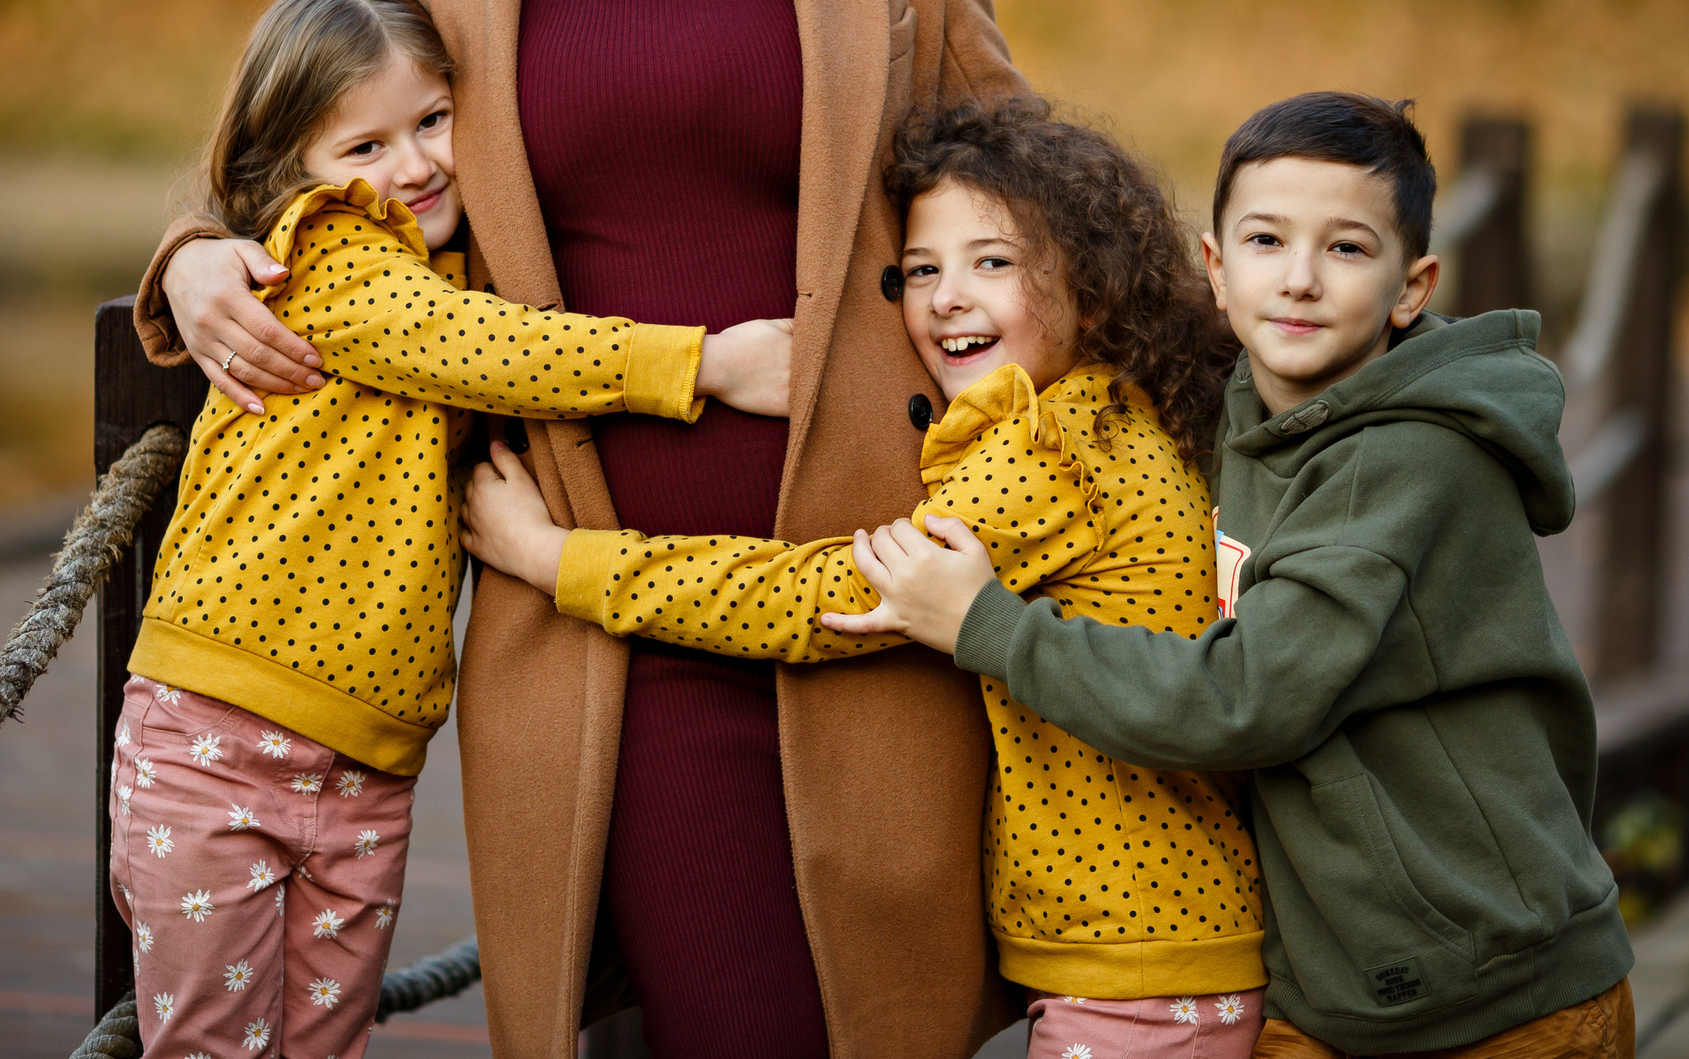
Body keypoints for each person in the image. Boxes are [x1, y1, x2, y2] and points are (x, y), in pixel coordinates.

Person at [131, 0, 1026, 1059]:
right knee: (709, 1009)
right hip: (583, 561)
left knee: (875, 1013)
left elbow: (1023, 184)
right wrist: (198, 256)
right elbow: (309, 155)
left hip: (862, 558)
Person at [463, 98, 1266, 1058]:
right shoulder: (1119, 415)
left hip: (1139, 964)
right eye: (921, 270)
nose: (946, 297)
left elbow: (813, 597)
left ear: (1091, 287)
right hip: (1152, 948)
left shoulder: (1056, 448)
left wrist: (557, 557)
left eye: (992, 262)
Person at [852, 93, 1638, 1059]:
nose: (1299, 280)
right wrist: (798, 367)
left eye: (1346, 249)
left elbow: (1247, 701)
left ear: (1412, 286)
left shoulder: (1399, 467)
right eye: (1266, 240)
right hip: (1334, 983)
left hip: (1495, 996)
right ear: (1216, 269)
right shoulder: (1236, 407)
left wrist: (991, 625)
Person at [109, 0, 792, 1059]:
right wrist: (708, 363)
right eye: (365, 147)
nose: (415, 165)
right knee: (208, 1049)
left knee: (323, 1047)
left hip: (369, 770)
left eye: (432, 121)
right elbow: (490, 348)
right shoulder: (330, 259)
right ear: (299, 174)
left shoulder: (459, 268)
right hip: (216, 741)